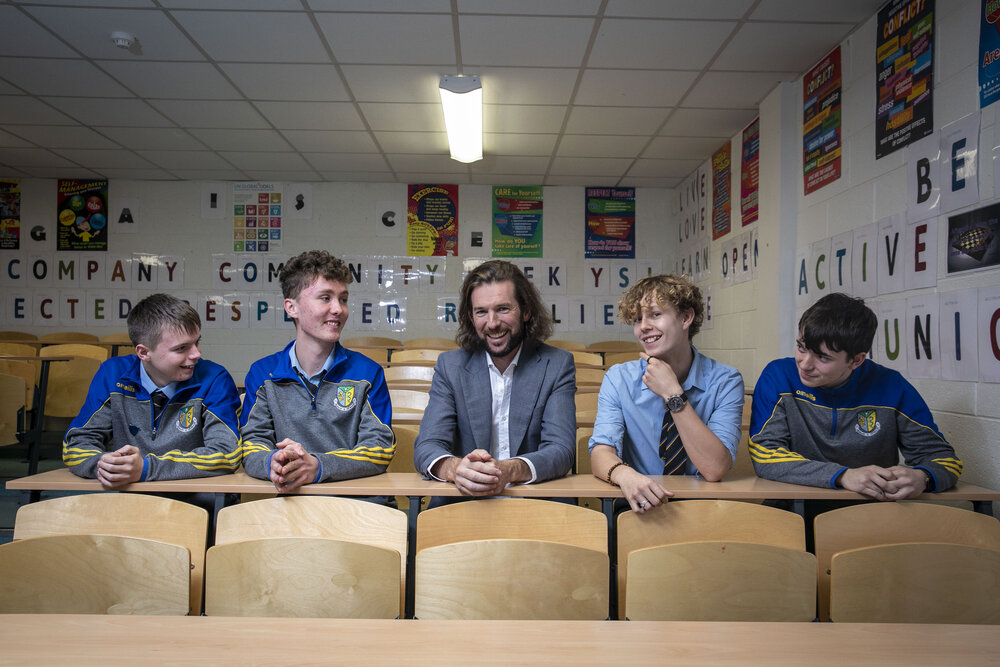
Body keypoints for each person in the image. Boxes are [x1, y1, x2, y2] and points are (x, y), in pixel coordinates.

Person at [749, 292, 962, 500]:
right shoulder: (778, 376)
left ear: (856, 360)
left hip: (870, 511)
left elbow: (944, 459)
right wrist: (843, 476)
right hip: (794, 507)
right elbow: (765, 454)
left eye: (822, 357)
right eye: (801, 348)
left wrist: (923, 477)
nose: (805, 364)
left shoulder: (892, 386)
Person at [413, 260, 576, 496]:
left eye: (503, 309)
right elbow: (427, 446)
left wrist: (507, 471)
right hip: (465, 502)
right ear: (471, 317)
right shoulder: (450, 367)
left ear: (526, 311)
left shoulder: (557, 365)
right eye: (481, 312)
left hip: (536, 501)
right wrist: (457, 469)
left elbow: (561, 450)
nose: (492, 323)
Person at [240, 250, 394, 493]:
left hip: (356, 504)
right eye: (325, 298)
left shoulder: (368, 373)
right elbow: (252, 446)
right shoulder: (263, 374)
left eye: (343, 299)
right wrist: (274, 462)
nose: (338, 309)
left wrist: (318, 466)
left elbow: (378, 449)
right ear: (291, 307)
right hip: (288, 502)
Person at [589, 274, 744, 513]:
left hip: (703, 510)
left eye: (655, 314)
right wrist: (625, 475)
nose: (643, 327)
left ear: (686, 317)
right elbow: (601, 452)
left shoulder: (726, 381)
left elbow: (714, 469)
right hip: (638, 507)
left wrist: (673, 394)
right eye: (637, 319)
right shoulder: (619, 378)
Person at [63, 293, 242, 486]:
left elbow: (227, 453)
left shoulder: (214, 379)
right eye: (181, 348)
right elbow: (77, 444)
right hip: (126, 496)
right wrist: (107, 465)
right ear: (144, 352)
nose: (196, 354)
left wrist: (146, 468)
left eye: (197, 342)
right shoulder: (113, 375)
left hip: (194, 496)